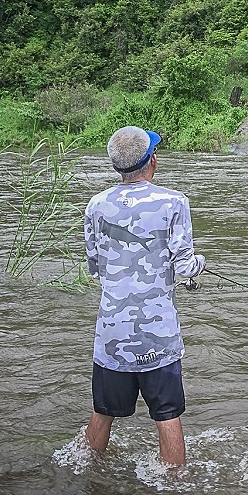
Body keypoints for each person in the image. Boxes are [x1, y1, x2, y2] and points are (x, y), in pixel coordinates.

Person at [82, 125, 206, 465]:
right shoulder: (173, 202)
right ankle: (174, 488)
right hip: (158, 336)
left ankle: (85, 472)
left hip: (111, 333)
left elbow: (95, 267)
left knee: (102, 410)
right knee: (167, 415)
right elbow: (185, 266)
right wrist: (201, 265)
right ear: (152, 161)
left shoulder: (96, 205)